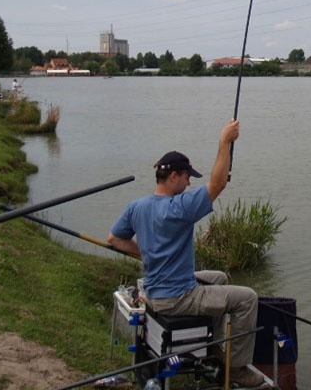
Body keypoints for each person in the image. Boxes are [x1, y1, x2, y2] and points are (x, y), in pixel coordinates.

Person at [108, 119, 266, 388]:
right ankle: (237, 368)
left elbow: (114, 239)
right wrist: (224, 141)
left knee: (218, 277)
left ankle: (214, 347)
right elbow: (217, 185)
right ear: (173, 177)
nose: (189, 183)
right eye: (186, 177)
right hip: (178, 298)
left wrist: (145, 254)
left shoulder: (138, 206)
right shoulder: (178, 208)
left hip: (156, 291)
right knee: (248, 298)